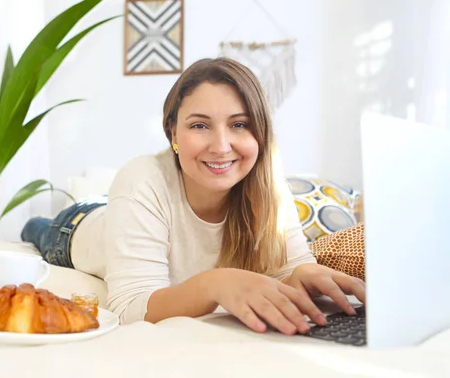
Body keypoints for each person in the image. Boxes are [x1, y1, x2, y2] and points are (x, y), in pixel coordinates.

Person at [21, 57, 365, 336]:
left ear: (260, 132)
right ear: (173, 133)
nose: (220, 146)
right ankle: (36, 225)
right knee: (38, 229)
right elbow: (129, 310)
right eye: (199, 125)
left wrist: (300, 276)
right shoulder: (142, 177)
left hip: (124, 214)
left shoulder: (270, 189)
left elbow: (287, 270)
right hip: (78, 227)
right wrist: (213, 284)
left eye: (240, 124)